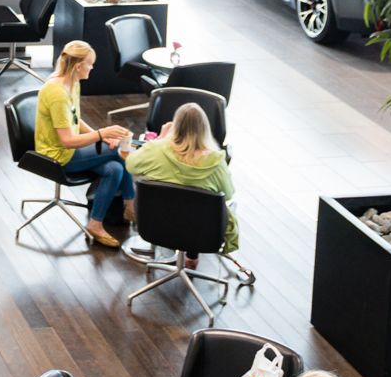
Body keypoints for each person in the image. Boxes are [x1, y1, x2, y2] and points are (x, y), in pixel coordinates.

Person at [37, 41, 136, 247]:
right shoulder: (57, 93)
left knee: (114, 168)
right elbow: (67, 141)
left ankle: (95, 224)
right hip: (59, 155)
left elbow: (74, 119)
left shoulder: (72, 83)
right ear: (77, 66)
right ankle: (131, 204)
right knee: (120, 150)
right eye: (90, 64)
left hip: (70, 149)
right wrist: (101, 134)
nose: (92, 67)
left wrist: (101, 136)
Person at [126, 102, 240, 255]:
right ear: (205, 129)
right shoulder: (216, 162)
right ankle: (192, 257)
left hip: (156, 224)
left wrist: (160, 139)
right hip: (201, 230)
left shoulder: (156, 150)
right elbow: (229, 193)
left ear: (176, 126)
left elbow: (131, 165)